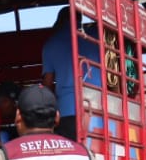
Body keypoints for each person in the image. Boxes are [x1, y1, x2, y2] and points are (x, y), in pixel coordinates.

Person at [41, 11, 103, 140]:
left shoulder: (51, 44)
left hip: (67, 111)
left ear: (59, 21)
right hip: (99, 107)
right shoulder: (96, 37)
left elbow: (47, 84)